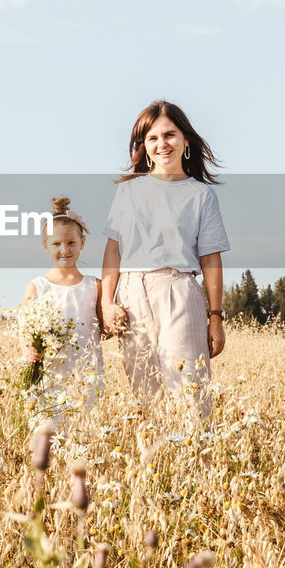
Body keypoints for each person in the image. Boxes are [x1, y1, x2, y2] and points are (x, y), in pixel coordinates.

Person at [100, 100, 228, 418]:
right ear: (143, 146)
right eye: (153, 138)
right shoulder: (127, 192)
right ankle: (156, 465)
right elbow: (113, 251)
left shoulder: (201, 195)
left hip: (179, 289)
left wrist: (216, 317)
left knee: (188, 390)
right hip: (131, 294)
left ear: (185, 139)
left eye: (169, 135)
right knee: (145, 396)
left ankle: (196, 464)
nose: (162, 144)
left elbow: (211, 260)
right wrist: (106, 302)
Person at [19, 196, 105, 423]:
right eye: (56, 244)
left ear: (82, 243)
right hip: (51, 376)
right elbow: (25, 334)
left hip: (87, 376)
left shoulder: (95, 286)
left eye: (71, 243)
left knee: (84, 434)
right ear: (45, 246)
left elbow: (104, 328)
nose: (64, 250)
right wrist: (28, 352)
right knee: (48, 436)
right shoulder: (37, 288)